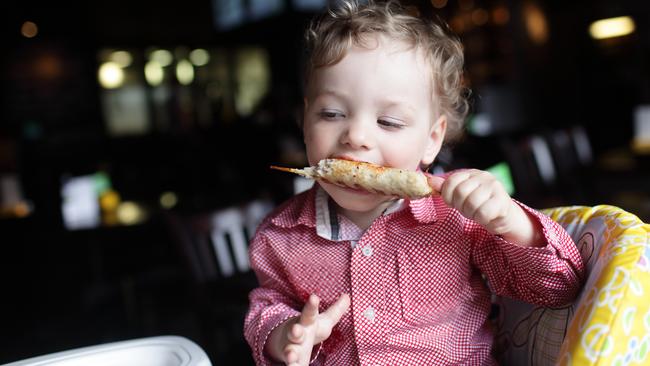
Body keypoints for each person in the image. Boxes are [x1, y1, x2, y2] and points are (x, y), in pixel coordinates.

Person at [244, 1, 584, 365]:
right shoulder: (278, 236)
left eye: (389, 121)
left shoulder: (459, 217)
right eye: (331, 114)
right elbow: (267, 306)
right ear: (305, 119)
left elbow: (558, 288)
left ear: (432, 139)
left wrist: (510, 223)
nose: (356, 136)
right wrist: (285, 333)